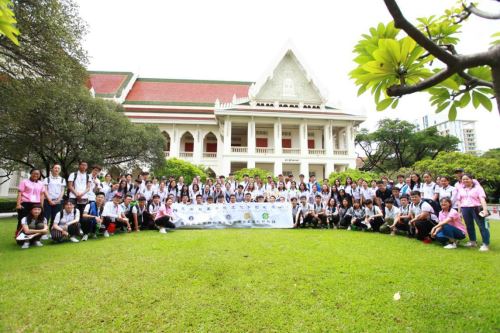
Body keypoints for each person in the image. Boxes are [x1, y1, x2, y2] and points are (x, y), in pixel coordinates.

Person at [455, 174, 490, 251]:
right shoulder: (461, 189)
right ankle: (473, 241)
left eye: (467, 179)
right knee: (469, 226)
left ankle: (486, 244)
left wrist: (485, 209)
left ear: (471, 179)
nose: (465, 181)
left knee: (482, 226)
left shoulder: (478, 188)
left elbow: (482, 199)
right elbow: (459, 201)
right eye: (463, 179)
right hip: (465, 208)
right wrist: (459, 212)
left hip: (476, 208)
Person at [43, 164, 66, 233]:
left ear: (60, 170)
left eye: (58, 168)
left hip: (58, 201)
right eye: (55, 168)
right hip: (47, 200)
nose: (57, 169)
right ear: (52, 169)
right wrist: (49, 200)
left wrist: (58, 200)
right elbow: (45, 190)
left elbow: (62, 191)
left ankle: (52, 232)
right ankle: (44, 232)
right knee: (46, 217)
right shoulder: (47, 179)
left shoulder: (62, 180)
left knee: (55, 217)